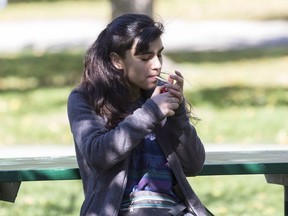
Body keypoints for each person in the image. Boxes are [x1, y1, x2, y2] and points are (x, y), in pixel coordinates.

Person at [67, 13, 208, 216]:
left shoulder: (161, 94)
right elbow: (99, 154)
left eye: (159, 54)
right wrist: (151, 112)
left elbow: (194, 165)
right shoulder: (85, 98)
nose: (157, 65)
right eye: (145, 58)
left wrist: (178, 116)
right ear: (117, 61)